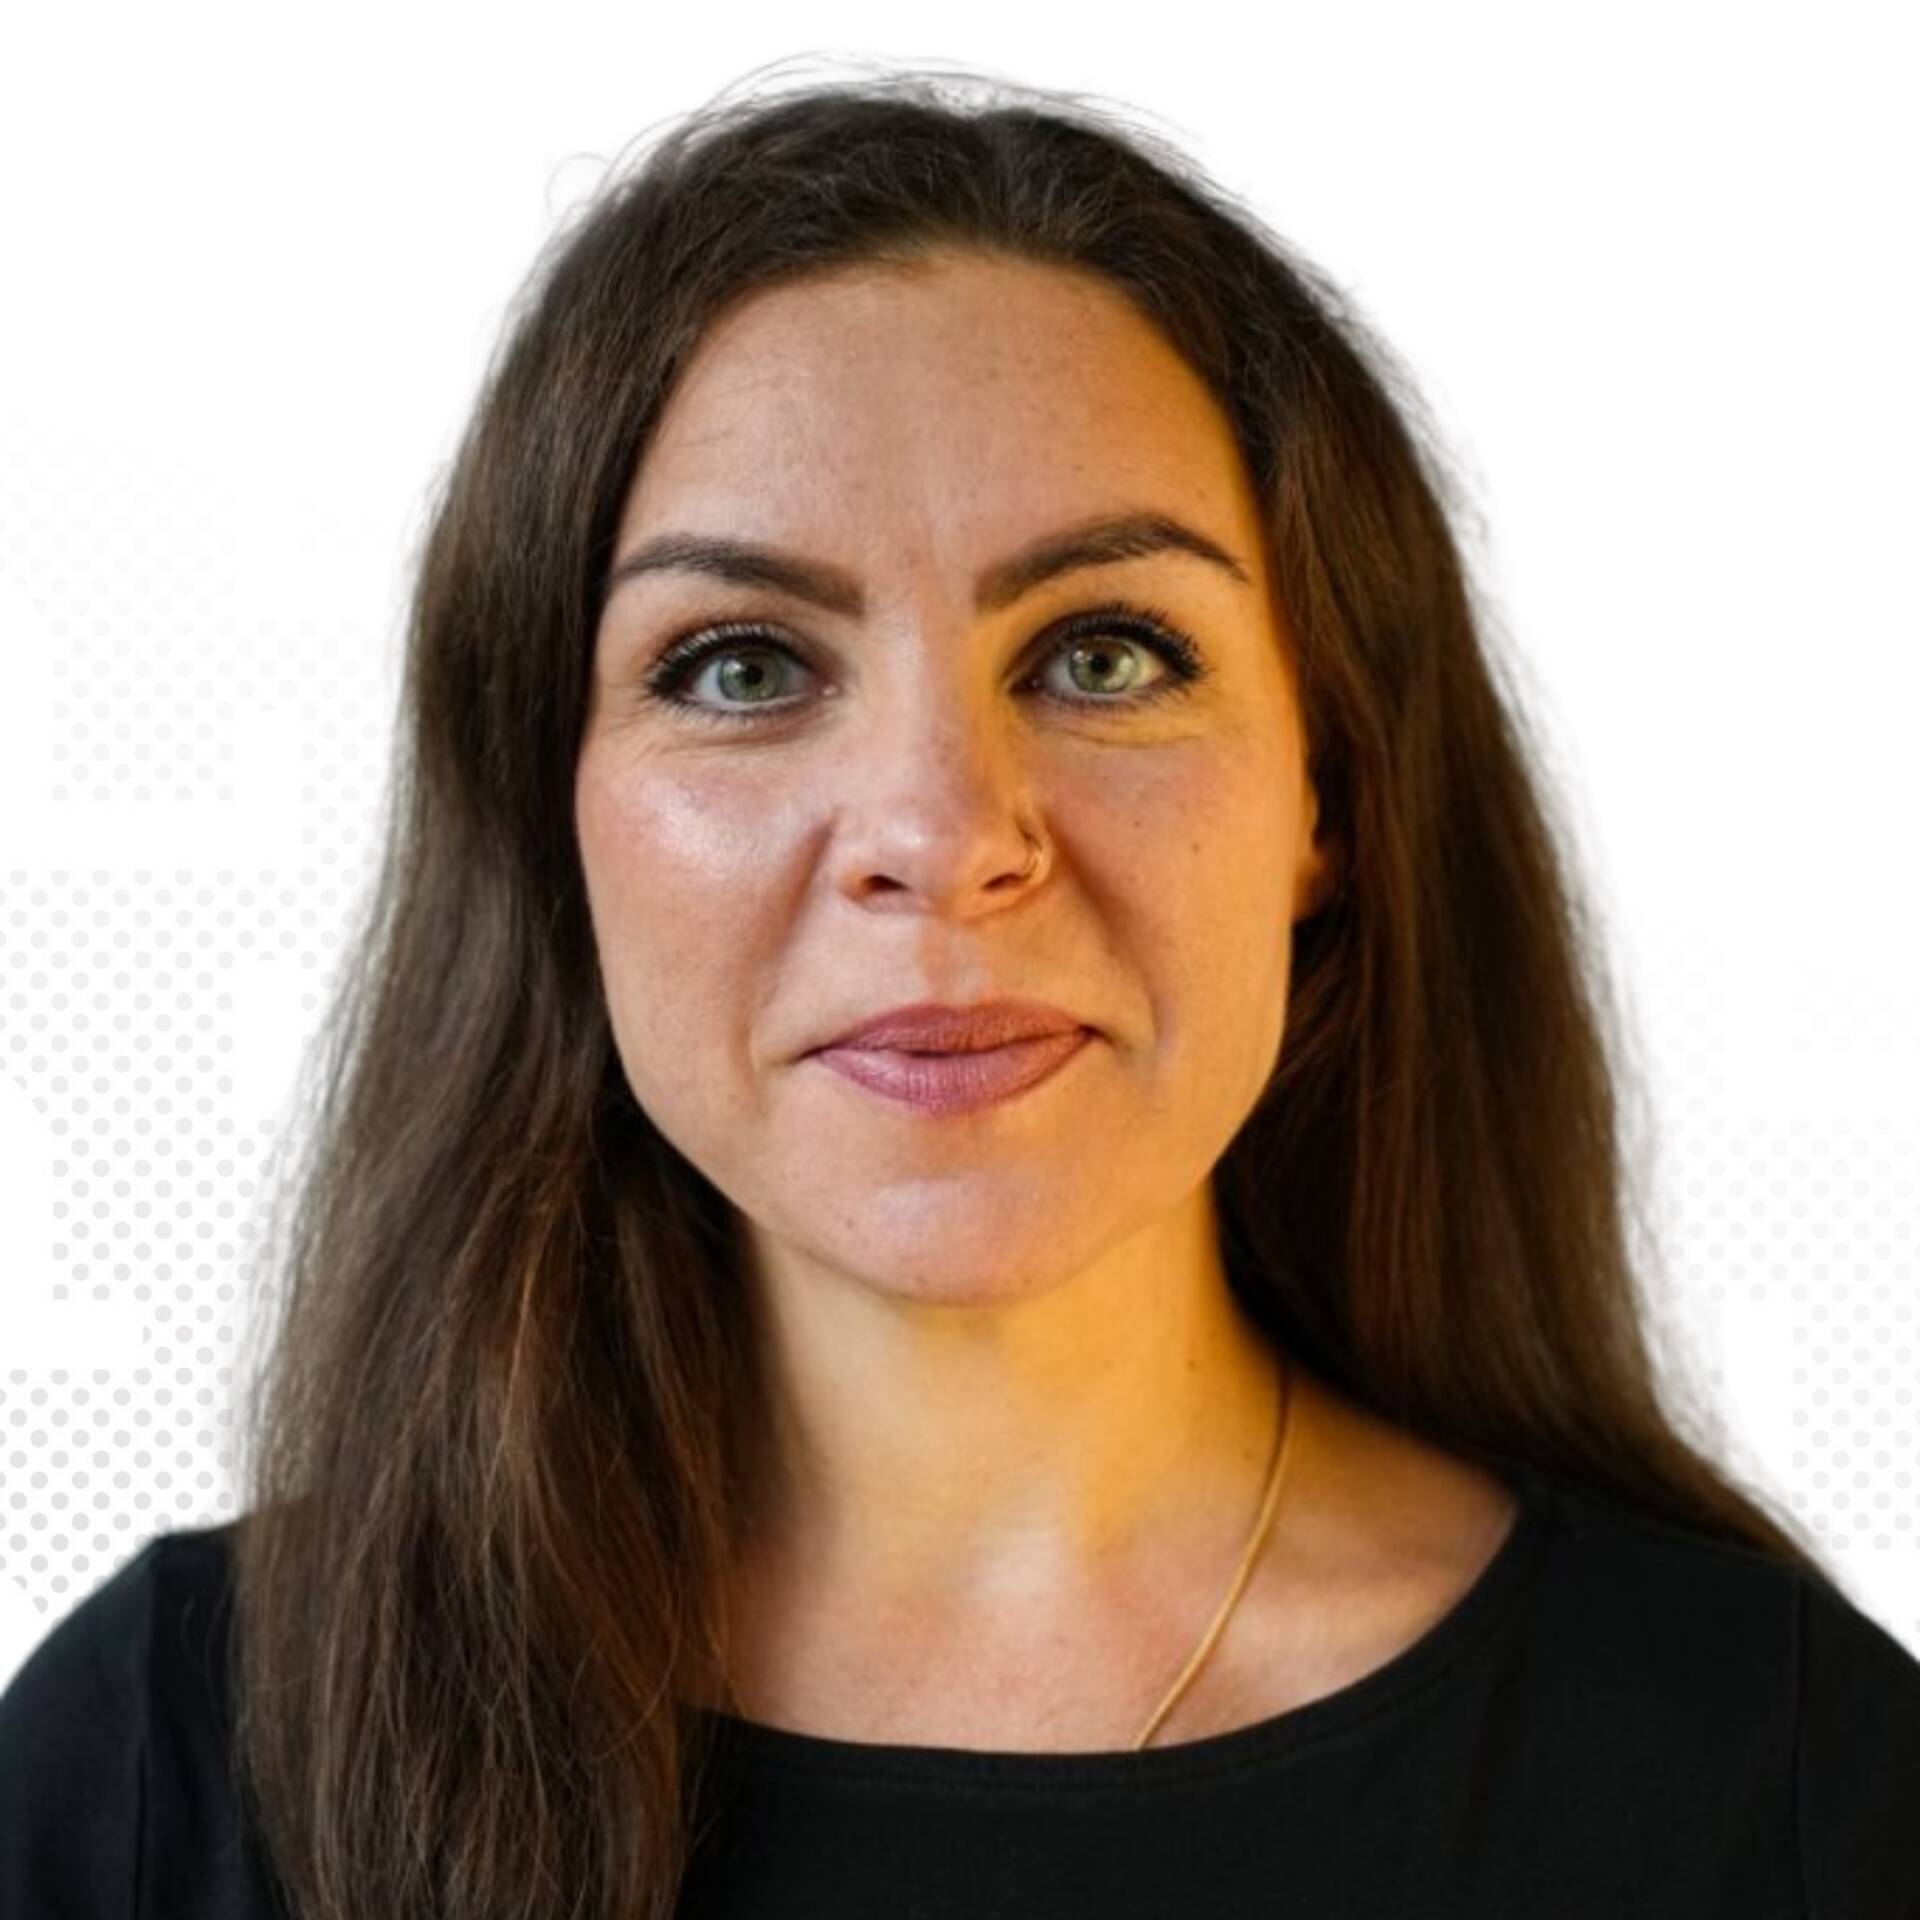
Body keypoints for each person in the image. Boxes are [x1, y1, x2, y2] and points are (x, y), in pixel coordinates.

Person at [4, 61, 1918, 1920]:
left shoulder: (1790, 1783)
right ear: (549, 814)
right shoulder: (170, 1763)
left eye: (1103, 652)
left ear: (1327, 798)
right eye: (743, 666)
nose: (939, 832)